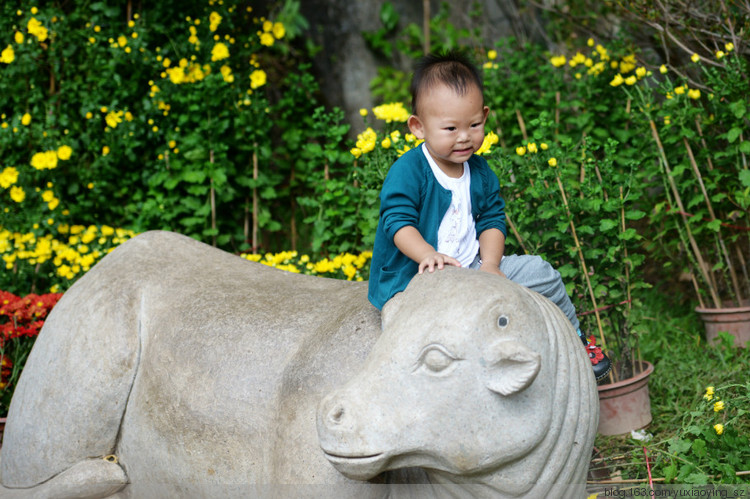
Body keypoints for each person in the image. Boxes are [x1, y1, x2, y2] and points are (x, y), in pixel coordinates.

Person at [367, 51, 610, 381]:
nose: (464, 136)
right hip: (418, 276)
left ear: (484, 116)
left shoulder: (480, 172)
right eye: (450, 128)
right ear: (418, 127)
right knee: (423, 334)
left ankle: (576, 343)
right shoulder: (409, 171)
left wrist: (492, 265)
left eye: (474, 125)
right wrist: (428, 255)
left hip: (473, 268)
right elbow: (397, 222)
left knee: (541, 273)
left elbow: (492, 220)